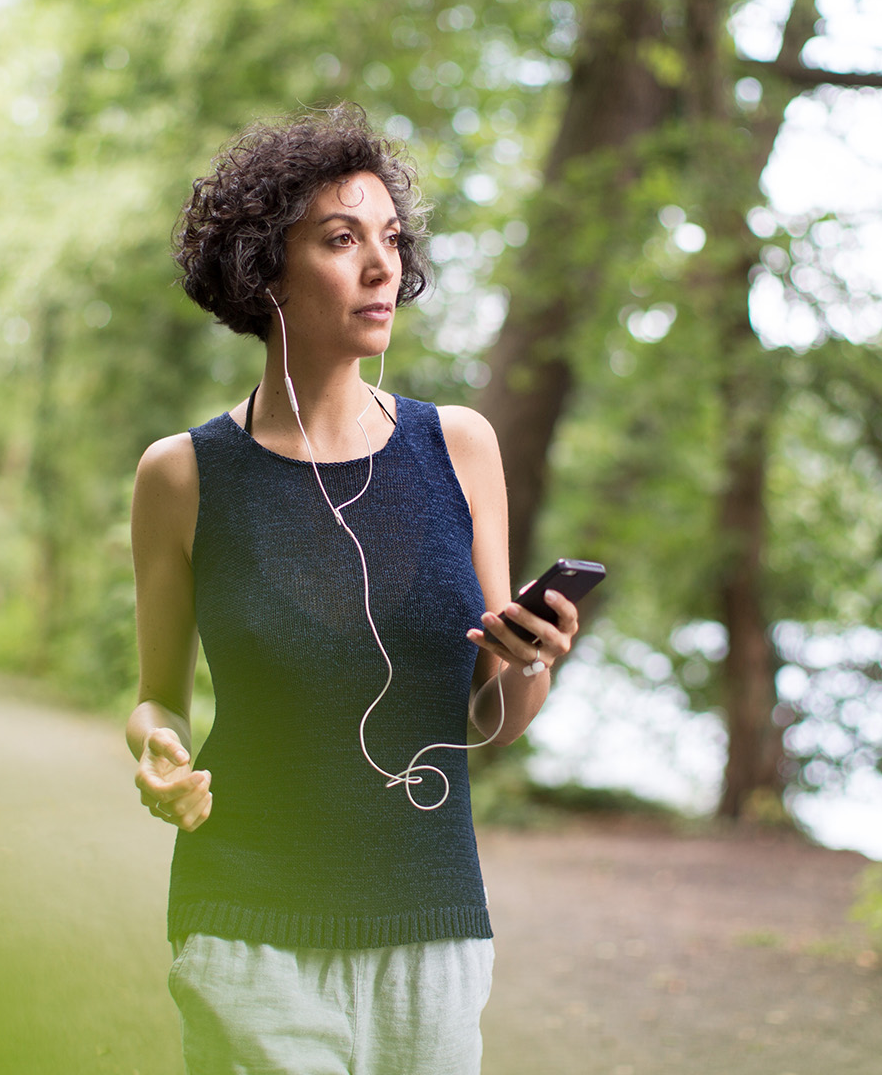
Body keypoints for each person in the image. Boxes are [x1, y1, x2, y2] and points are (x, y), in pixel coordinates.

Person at [125, 105, 580, 1075]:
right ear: (264, 269)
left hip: (433, 921)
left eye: (391, 240)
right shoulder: (182, 475)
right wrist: (157, 752)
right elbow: (158, 693)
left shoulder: (459, 448)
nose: (382, 268)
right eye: (341, 239)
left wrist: (529, 662)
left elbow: (492, 715)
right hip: (248, 917)